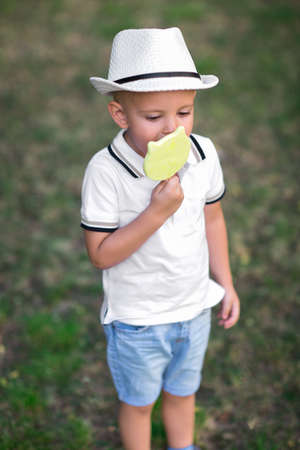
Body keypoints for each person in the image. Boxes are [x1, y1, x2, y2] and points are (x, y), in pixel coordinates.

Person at [80, 27, 240, 450]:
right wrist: (155, 213)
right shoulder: (105, 171)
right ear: (120, 115)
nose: (172, 128)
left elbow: (214, 221)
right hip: (138, 319)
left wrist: (224, 281)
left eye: (184, 112)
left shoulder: (202, 154)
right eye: (153, 117)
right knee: (138, 403)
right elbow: (100, 254)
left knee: (183, 393)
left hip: (193, 307)